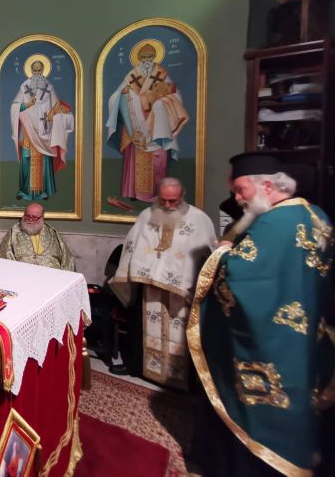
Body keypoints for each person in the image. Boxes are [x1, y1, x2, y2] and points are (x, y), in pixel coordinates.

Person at [188, 153, 334, 476]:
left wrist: (221, 254)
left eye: (241, 190)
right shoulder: (317, 214)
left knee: (261, 414)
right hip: (305, 338)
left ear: (267, 186)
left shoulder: (273, 224)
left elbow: (240, 278)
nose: (237, 198)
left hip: (270, 344)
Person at [108, 177, 216, 389]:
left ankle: (184, 380)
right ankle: (137, 367)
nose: (167, 205)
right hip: (148, 287)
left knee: (182, 331)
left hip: (182, 291)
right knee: (141, 327)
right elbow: (131, 247)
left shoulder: (199, 220)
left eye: (173, 201)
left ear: (182, 197)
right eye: (163, 200)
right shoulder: (146, 216)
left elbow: (207, 256)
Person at [105, 42, 189, 202]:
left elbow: (174, 94)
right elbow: (115, 97)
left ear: (154, 57)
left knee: (158, 161)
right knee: (135, 157)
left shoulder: (161, 73)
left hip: (156, 124)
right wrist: (123, 94)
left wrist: (163, 101)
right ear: (139, 58)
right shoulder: (132, 75)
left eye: (150, 57)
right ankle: (134, 193)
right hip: (136, 125)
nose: (147, 60)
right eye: (144, 57)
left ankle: (157, 193)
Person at [10, 58, 74, 200]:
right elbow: (15, 106)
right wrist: (26, 105)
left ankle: (43, 192)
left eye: (39, 70)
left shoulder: (49, 88)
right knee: (26, 159)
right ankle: (25, 191)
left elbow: (56, 105)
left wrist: (53, 114)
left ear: (43, 71)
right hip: (28, 130)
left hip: (44, 129)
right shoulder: (24, 87)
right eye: (35, 71)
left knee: (43, 159)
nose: (37, 74)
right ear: (31, 71)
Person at [0, 202, 75, 270]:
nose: (30, 220)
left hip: (52, 278)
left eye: (34, 217)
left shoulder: (53, 234)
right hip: (23, 277)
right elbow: (4, 258)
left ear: (42, 217)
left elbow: (68, 261)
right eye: (27, 216)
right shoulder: (14, 233)